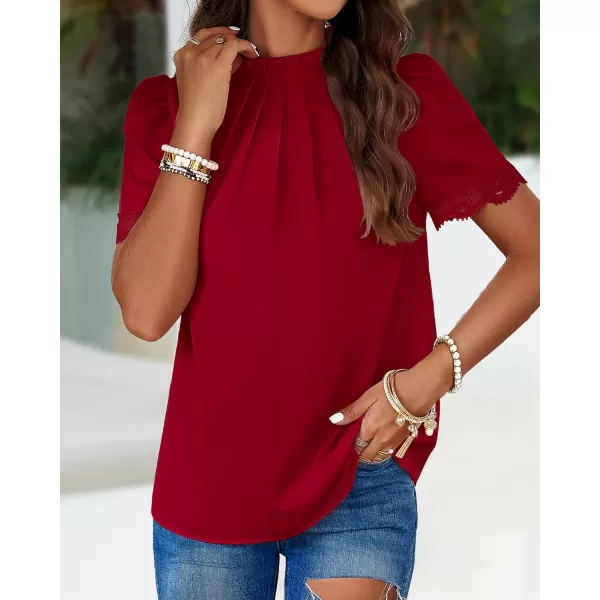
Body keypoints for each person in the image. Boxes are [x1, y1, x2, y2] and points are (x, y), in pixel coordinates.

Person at [111, 0, 540, 598]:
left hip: (357, 472)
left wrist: (427, 381)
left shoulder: (401, 98)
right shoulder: (166, 107)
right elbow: (146, 312)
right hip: (208, 485)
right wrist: (195, 126)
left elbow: (540, 252)